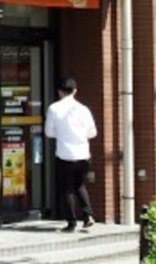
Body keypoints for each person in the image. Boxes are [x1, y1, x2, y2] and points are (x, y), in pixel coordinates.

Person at [44, 77, 97, 232]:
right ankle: (88, 215)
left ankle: (71, 222)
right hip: (83, 154)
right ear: (75, 91)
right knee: (80, 185)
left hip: (65, 154)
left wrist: (62, 134)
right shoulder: (83, 109)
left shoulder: (54, 108)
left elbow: (49, 132)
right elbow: (92, 132)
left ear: (59, 92)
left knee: (67, 189)